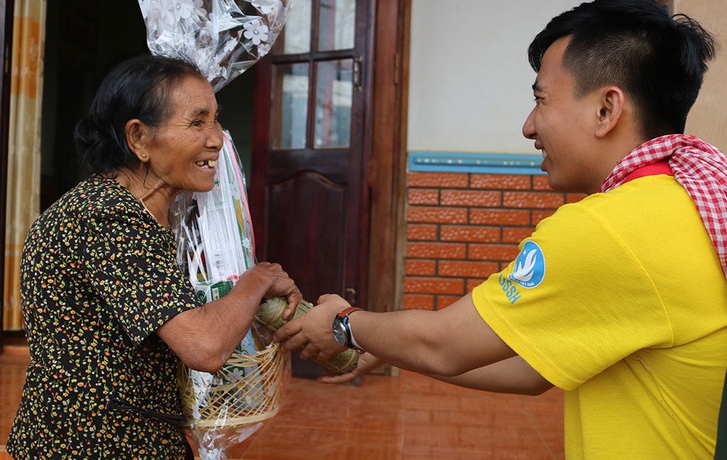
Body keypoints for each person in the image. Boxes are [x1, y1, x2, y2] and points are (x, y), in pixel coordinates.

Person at [274, 0, 727, 457]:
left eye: (541, 99)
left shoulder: (612, 230)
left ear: (607, 109)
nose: (528, 126)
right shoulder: (676, 205)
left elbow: (444, 343)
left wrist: (346, 325)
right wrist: (385, 345)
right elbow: (529, 371)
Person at [6, 54, 302, 459]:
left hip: (125, 436)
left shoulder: (136, 214)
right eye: (197, 122)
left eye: (215, 120)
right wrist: (257, 280)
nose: (216, 138)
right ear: (139, 139)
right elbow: (204, 346)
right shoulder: (108, 217)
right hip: (92, 443)